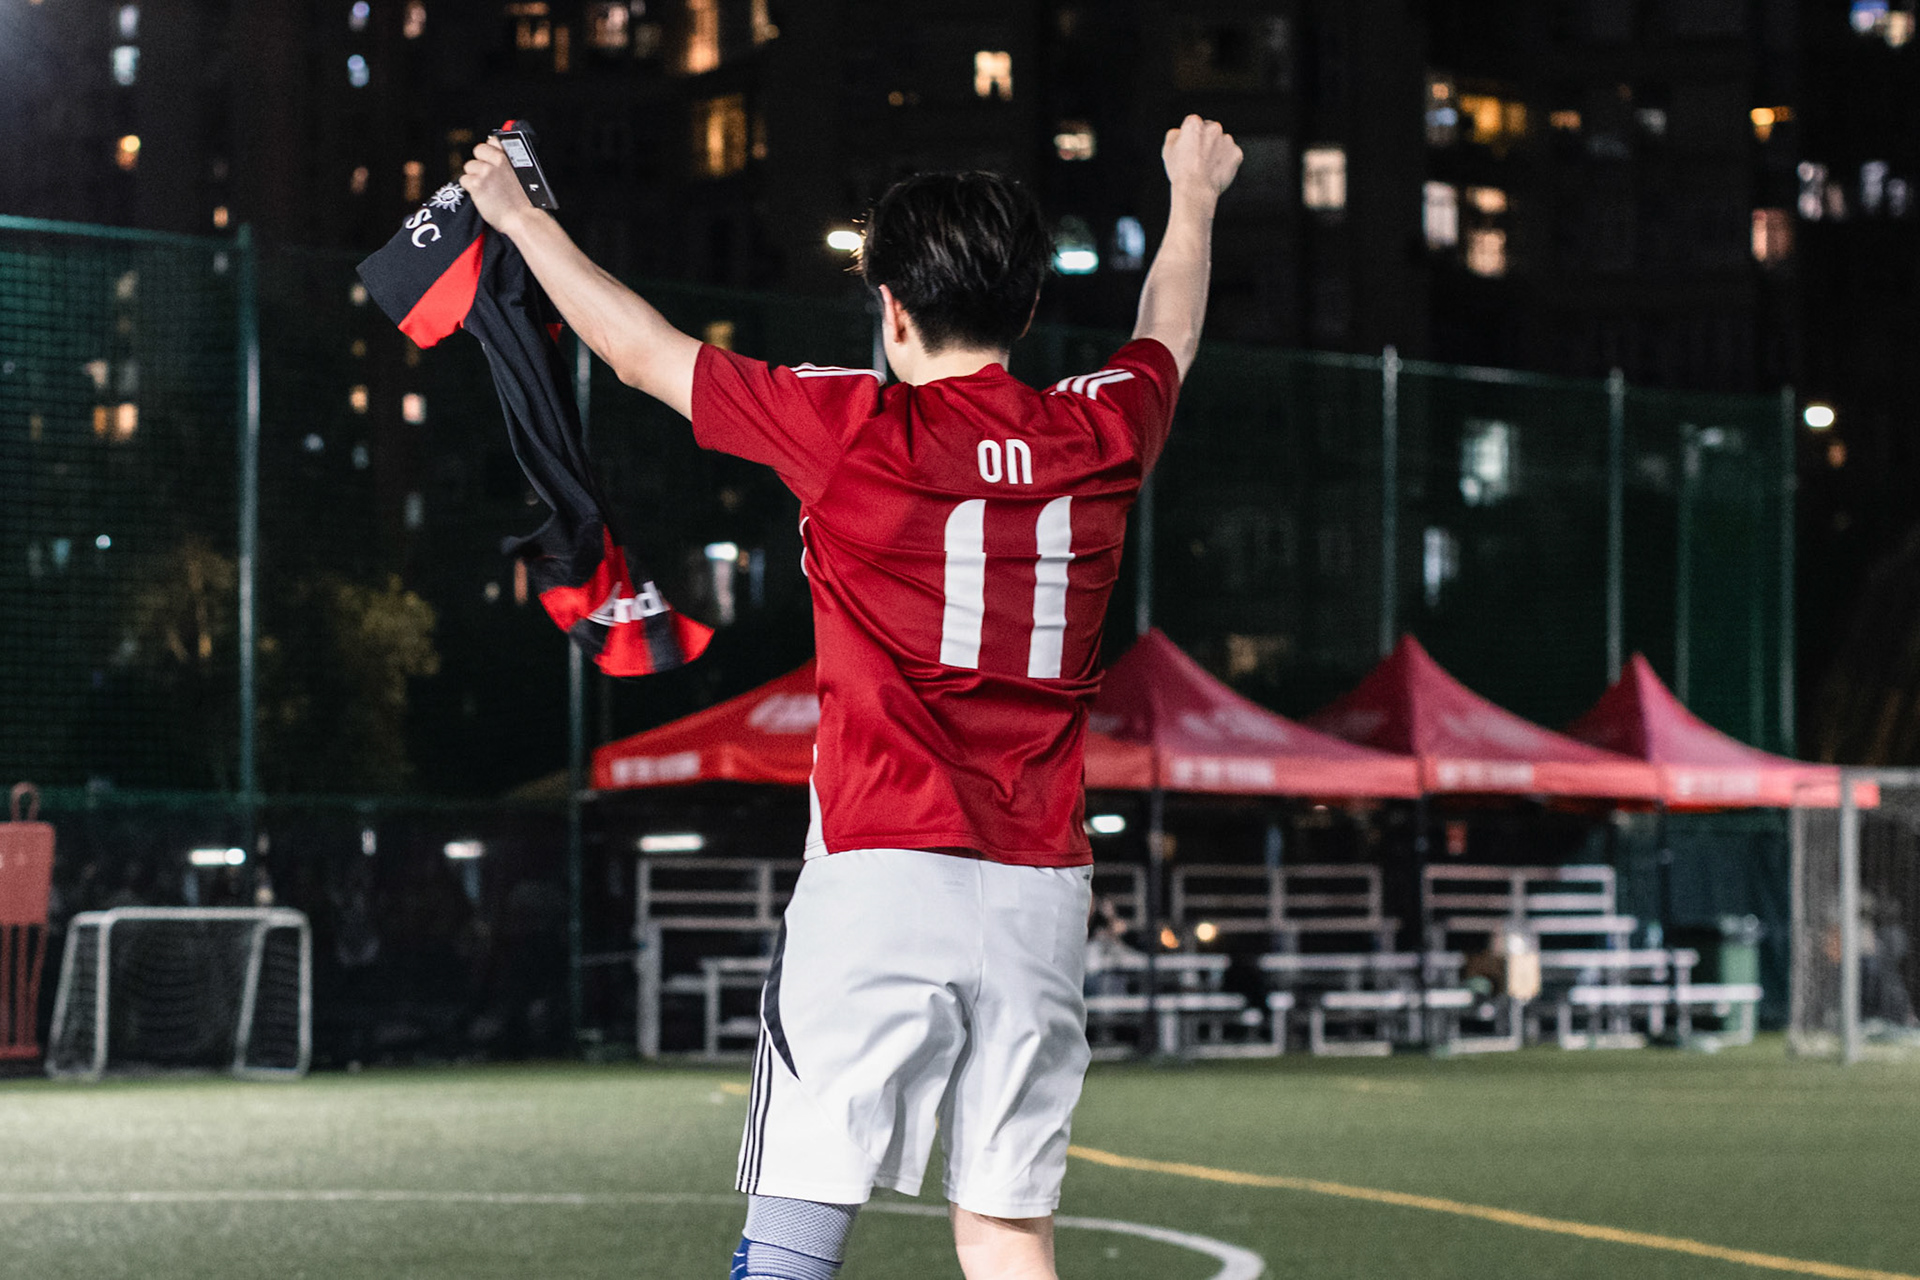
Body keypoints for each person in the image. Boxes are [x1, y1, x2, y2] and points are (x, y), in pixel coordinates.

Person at [461, 115, 1240, 1280]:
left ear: (891, 308)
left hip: (881, 868)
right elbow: (1166, 324)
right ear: (1028, 310)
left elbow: (643, 353)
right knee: (1005, 1228)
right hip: (1041, 888)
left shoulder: (855, 427)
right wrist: (1193, 196)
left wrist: (522, 221)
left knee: (801, 1219)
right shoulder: (1100, 429)